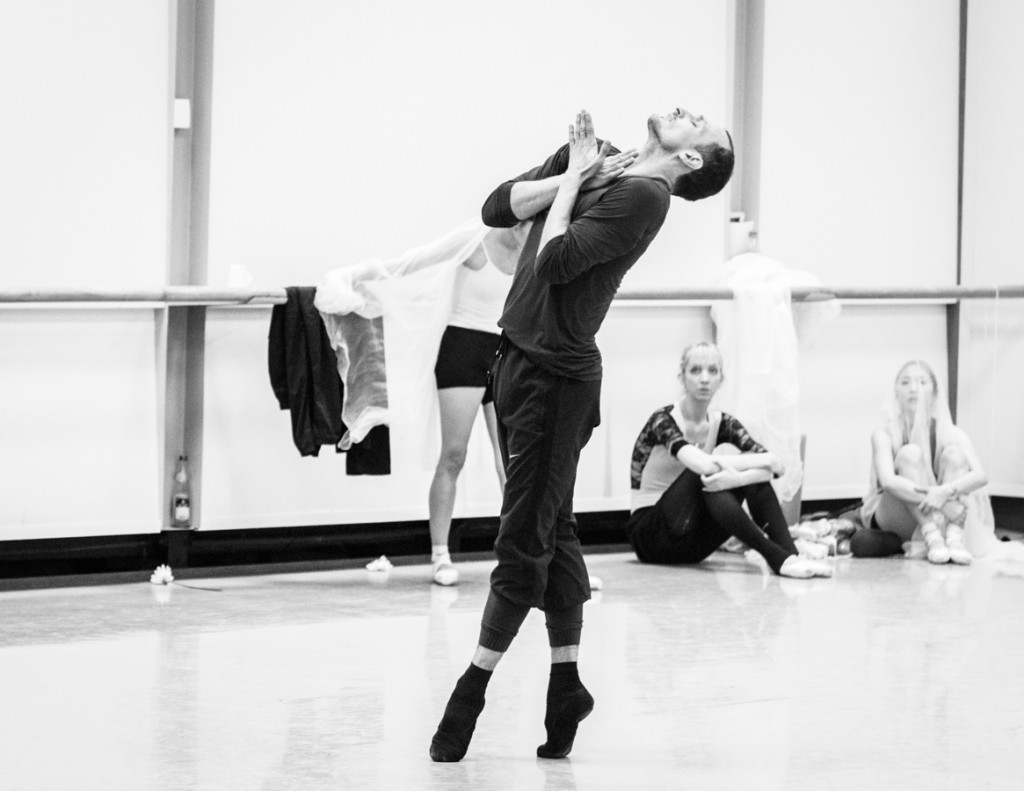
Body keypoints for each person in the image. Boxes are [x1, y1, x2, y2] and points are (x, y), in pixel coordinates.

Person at [429, 107, 735, 763]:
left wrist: (569, 183)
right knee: (555, 527)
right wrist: (573, 169)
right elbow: (496, 208)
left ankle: (470, 691)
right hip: (517, 359)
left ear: (689, 159)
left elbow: (555, 263)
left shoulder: (647, 196)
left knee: (524, 538)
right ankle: (567, 683)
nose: (687, 111)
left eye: (700, 123)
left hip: (555, 381)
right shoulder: (609, 158)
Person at [626, 342, 832, 579]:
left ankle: (791, 556)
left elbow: (776, 469)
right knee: (705, 473)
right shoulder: (662, 420)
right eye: (695, 371)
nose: (704, 379)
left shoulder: (723, 422)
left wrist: (741, 477)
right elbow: (704, 466)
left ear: (721, 379)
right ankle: (778, 558)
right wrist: (766, 460)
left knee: (726, 480)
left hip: (692, 546)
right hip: (651, 538)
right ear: (681, 377)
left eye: (712, 371)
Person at [428, 225, 525, 586]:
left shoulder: (536, 250)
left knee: (513, 462)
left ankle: (522, 556)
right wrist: (360, 280)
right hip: (463, 349)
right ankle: (440, 555)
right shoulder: (476, 242)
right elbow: (420, 260)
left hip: (505, 352)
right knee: (454, 453)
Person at [852, 360, 990, 564]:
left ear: (934, 393)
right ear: (896, 392)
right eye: (905, 382)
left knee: (955, 455)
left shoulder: (950, 432)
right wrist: (943, 505)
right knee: (910, 454)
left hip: (943, 513)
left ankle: (954, 539)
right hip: (897, 512)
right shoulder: (883, 434)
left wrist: (946, 492)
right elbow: (888, 482)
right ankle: (932, 537)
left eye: (922, 382)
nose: (914, 389)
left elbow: (980, 476)